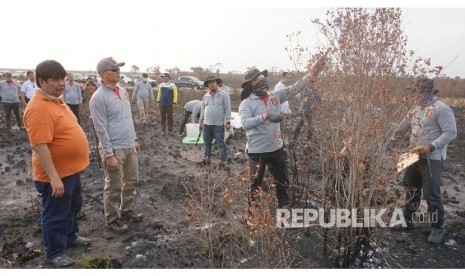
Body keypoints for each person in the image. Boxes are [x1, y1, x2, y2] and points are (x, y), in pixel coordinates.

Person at [23, 60, 90, 267]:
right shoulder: (38, 108)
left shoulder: (56, 101)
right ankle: (54, 252)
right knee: (55, 214)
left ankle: (70, 236)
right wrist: (54, 178)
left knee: (73, 205)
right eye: (55, 79)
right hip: (56, 176)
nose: (61, 83)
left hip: (70, 171)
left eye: (62, 78)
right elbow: (39, 146)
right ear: (41, 81)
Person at [239, 59, 325, 209]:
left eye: (261, 77)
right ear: (250, 85)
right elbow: (245, 123)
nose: (260, 81)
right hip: (257, 151)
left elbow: (295, 87)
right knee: (255, 184)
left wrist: (313, 72)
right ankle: (250, 214)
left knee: (282, 182)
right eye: (256, 80)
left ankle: (283, 211)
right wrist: (266, 116)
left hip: (276, 148)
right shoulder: (246, 103)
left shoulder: (276, 96)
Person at [398, 77, 457, 244]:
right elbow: (402, 127)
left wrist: (431, 146)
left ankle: (438, 228)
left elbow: (451, 132)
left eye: (420, 92)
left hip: (432, 158)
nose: (417, 95)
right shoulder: (415, 109)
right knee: (410, 189)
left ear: (429, 91)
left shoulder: (441, 109)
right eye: (415, 92)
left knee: (431, 195)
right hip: (412, 156)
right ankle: (407, 221)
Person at [89, 57, 142, 234]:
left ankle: (126, 209)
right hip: (114, 149)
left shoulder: (123, 91)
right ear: (103, 74)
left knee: (132, 181)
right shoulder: (98, 98)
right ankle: (112, 219)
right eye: (114, 69)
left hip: (129, 145)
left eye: (118, 69)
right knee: (114, 186)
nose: (118, 72)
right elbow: (101, 129)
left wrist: (134, 139)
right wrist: (109, 154)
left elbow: (128, 118)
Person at [198, 76, 232, 169]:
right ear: (207, 85)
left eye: (213, 82)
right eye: (209, 83)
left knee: (221, 143)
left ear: (217, 83)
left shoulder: (224, 94)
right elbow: (202, 111)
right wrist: (200, 123)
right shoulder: (205, 96)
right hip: (206, 124)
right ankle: (207, 159)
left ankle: (222, 162)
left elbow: (227, 108)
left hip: (218, 125)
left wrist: (228, 121)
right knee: (207, 142)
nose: (211, 84)